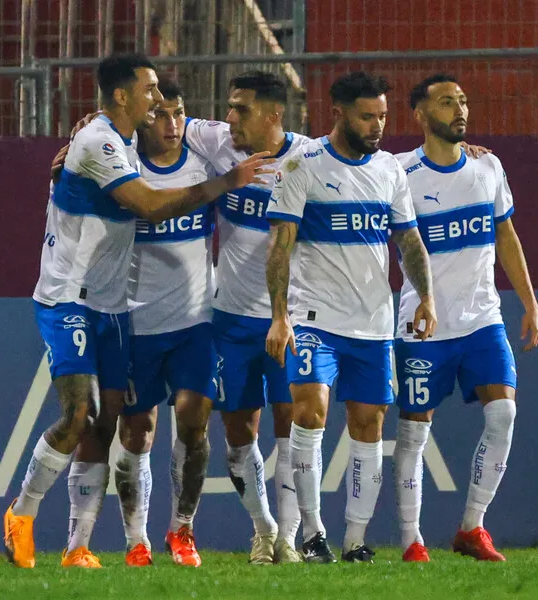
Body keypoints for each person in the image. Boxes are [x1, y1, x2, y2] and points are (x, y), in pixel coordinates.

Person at [2, 53, 272, 569]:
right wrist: (225, 183)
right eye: (149, 91)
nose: (160, 105)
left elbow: (205, 127)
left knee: (104, 427)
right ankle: (23, 514)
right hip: (69, 298)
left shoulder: (126, 138)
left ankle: (80, 548)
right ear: (123, 96)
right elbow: (148, 205)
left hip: (114, 307)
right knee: (79, 414)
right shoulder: (101, 142)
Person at [265, 71, 437, 564]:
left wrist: (426, 297)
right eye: (368, 116)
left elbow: (407, 240)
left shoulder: (389, 170)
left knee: (367, 425)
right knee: (310, 411)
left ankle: (355, 539)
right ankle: (313, 533)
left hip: (373, 323)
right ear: (337, 112)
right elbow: (281, 246)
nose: (378, 125)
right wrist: (280, 317)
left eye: (383, 115)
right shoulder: (303, 166)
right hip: (314, 317)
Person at [392, 73, 538, 563]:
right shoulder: (398, 173)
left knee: (504, 413)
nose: (459, 109)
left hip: (483, 319)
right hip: (424, 325)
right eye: (445, 102)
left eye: (462, 101)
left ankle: (471, 527)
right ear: (419, 114)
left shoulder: (488, 167)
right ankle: (412, 540)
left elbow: (507, 236)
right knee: (415, 431)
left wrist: (530, 302)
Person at [182, 71, 313, 564]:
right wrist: (90, 124)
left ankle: (290, 538)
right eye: (230, 107)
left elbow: (373, 165)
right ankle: (264, 529)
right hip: (230, 318)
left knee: (294, 425)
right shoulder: (218, 141)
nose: (230, 117)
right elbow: (158, 120)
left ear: (273, 115)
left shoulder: (309, 159)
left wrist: (469, 151)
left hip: (292, 318)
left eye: (241, 109)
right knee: (240, 428)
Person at [115, 77, 217, 568]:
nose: (172, 124)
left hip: (196, 322)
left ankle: (183, 529)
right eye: (159, 113)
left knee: (195, 423)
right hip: (138, 325)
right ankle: (137, 538)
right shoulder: (123, 168)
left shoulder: (203, 163)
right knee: (137, 432)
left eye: (179, 113)